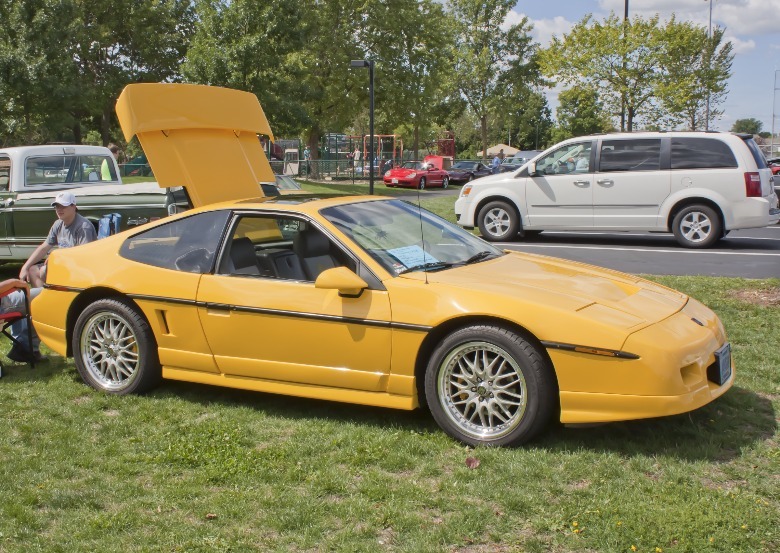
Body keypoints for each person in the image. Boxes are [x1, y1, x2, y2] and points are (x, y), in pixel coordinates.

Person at [20, 191, 98, 288]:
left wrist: (56, 257)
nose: (59, 209)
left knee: (44, 271)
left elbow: (83, 257)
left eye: (63, 206)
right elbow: (44, 247)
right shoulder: (58, 223)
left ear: (73, 207)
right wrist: (25, 267)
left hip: (80, 270)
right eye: (57, 206)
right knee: (33, 270)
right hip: (64, 265)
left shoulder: (83, 227)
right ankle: (43, 301)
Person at [0, 278, 41, 363]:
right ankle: (27, 349)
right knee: (46, 294)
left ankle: (24, 346)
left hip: (5, 299)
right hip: (4, 304)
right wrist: (14, 282)